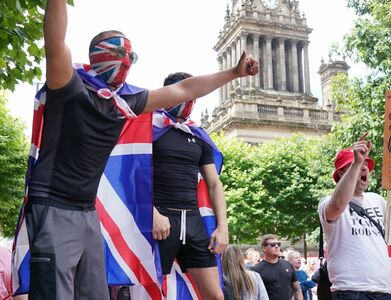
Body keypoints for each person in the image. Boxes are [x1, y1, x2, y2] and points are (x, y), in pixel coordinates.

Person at [27, 1, 259, 299]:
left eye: (130, 55)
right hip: (54, 205)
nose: (126, 61)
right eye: (120, 52)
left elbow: (185, 90)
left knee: (93, 294)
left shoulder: (125, 101)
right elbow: (55, 41)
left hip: (87, 211)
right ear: (98, 54)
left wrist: (233, 73)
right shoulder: (69, 86)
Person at [151, 72, 229, 299]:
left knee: (216, 296)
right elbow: (131, 173)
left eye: (194, 94)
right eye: (185, 92)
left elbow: (214, 184)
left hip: (193, 223)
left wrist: (222, 227)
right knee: (150, 293)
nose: (189, 100)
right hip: (159, 220)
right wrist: (151, 211)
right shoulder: (147, 127)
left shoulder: (198, 135)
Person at [318, 137, 391, 300]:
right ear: (341, 172)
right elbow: (337, 206)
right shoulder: (327, 203)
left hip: (384, 291)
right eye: (359, 164)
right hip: (350, 290)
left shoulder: (377, 200)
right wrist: (356, 164)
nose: (364, 168)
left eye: (366, 165)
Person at [252, 235, 302, 300]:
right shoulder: (256, 270)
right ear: (264, 248)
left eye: (278, 244)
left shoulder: (288, 265)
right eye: (272, 244)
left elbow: (297, 289)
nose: (276, 246)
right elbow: (253, 295)